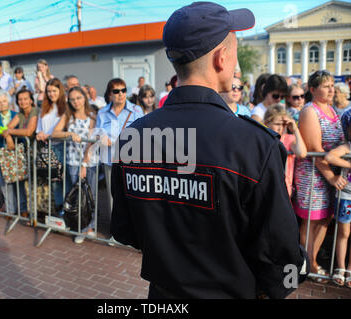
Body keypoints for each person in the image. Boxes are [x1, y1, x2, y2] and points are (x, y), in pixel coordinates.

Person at [110, 2, 308, 299]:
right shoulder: (254, 144)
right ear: (221, 58)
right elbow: (282, 255)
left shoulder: (133, 136)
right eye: (236, 53)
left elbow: (125, 231)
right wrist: (290, 280)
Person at [293, 70, 346, 282]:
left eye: (332, 84)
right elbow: (315, 149)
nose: (331, 89)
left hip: (330, 175)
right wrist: (331, 177)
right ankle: (307, 263)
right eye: (326, 85)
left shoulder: (333, 110)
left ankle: (312, 259)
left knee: (325, 219)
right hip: (313, 176)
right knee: (311, 221)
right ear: (313, 90)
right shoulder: (309, 111)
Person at [96, 78, 144, 238]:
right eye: (116, 91)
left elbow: (142, 133)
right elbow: (97, 131)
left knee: (132, 195)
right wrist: (101, 136)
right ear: (109, 95)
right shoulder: (102, 112)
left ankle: (136, 230)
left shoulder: (136, 110)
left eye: (123, 90)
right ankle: (116, 231)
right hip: (109, 160)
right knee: (112, 197)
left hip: (131, 160)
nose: (121, 94)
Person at [52, 86, 98, 243]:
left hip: (88, 162)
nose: (76, 101)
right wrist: (70, 134)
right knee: (76, 197)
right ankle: (80, 228)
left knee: (89, 196)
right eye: (72, 99)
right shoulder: (68, 116)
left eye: (78, 98)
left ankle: (90, 227)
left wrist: (84, 164)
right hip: (72, 161)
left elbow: (91, 142)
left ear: (84, 98)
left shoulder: (92, 116)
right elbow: (55, 133)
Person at [325, 115, 351, 289]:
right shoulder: (347, 147)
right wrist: (350, 163)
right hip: (347, 198)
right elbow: (330, 157)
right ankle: (340, 267)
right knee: (343, 233)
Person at [0, 90, 28, 218]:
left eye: (4, 101)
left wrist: (6, 133)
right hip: (1, 154)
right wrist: (3, 133)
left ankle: (23, 208)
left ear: (9, 102)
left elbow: (21, 131)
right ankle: (11, 210)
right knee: (6, 185)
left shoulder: (17, 115)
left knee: (20, 183)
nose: (2, 104)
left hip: (16, 152)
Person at [36, 78, 66, 216]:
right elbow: (39, 129)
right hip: (48, 149)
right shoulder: (44, 107)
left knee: (67, 181)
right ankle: (60, 210)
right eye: (48, 91)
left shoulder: (65, 107)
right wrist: (40, 134)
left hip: (63, 147)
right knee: (55, 182)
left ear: (60, 91)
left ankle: (70, 209)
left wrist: (49, 135)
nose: (51, 94)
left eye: (54, 91)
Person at [263, 105, 307, 197]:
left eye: (283, 125)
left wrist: (295, 130)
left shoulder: (288, 139)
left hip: (284, 188)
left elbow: (302, 153)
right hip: (264, 185)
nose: (281, 128)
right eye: (277, 124)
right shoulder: (262, 138)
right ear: (267, 123)